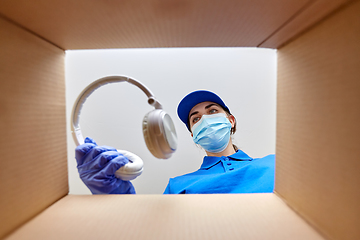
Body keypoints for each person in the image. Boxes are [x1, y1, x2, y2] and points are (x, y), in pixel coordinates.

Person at [75, 90, 275, 194]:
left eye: (212, 111)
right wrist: (116, 200)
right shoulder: (178, 185)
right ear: (193, 134)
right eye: (196, 119)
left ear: (230, 120)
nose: (204, 119)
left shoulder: (274, 164)